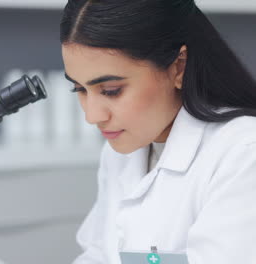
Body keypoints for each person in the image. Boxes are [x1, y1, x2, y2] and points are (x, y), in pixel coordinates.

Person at [59, 0, 256, 263]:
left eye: (110, 91)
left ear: (178, 67)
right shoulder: (122, 149)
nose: (92, 116)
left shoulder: (242, 154)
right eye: (80, 90)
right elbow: (98, 254)